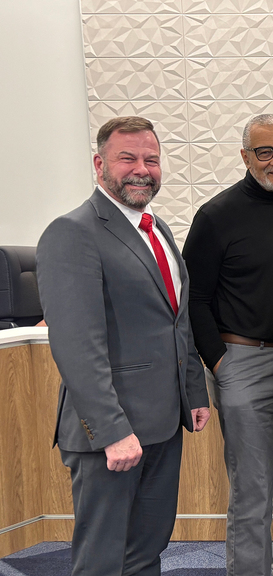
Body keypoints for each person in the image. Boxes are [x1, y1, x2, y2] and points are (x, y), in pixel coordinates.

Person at [36, 116, 211, 576]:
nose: (142, 169)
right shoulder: (72, 232)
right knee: (104, 559)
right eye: (127, 158)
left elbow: (177, 321)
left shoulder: (159, 230)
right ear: (99, 165)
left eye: (151, 159)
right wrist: (112, 431)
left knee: (146, 549)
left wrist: (194, 392)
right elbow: (77, 344)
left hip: (162, 423)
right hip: (110, 434)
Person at [182, 114, 273, 576]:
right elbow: (194, 300)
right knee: (254, 488)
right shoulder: (216, 216)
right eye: (265, 152)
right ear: (245, 157)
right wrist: (220, 363)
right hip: (242, 360)